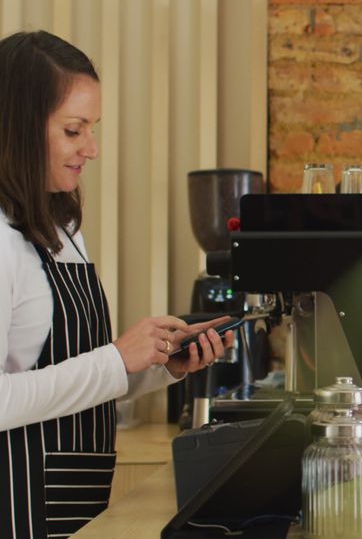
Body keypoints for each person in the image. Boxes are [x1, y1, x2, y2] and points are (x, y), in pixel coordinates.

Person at [0, 30, 234, 538]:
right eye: (73, 130)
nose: (92, 149)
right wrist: (115, 357)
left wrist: (159, 368)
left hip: (74, 504)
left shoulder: (61, 229)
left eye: (92, 129)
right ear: (18, 128)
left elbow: (78, 384)